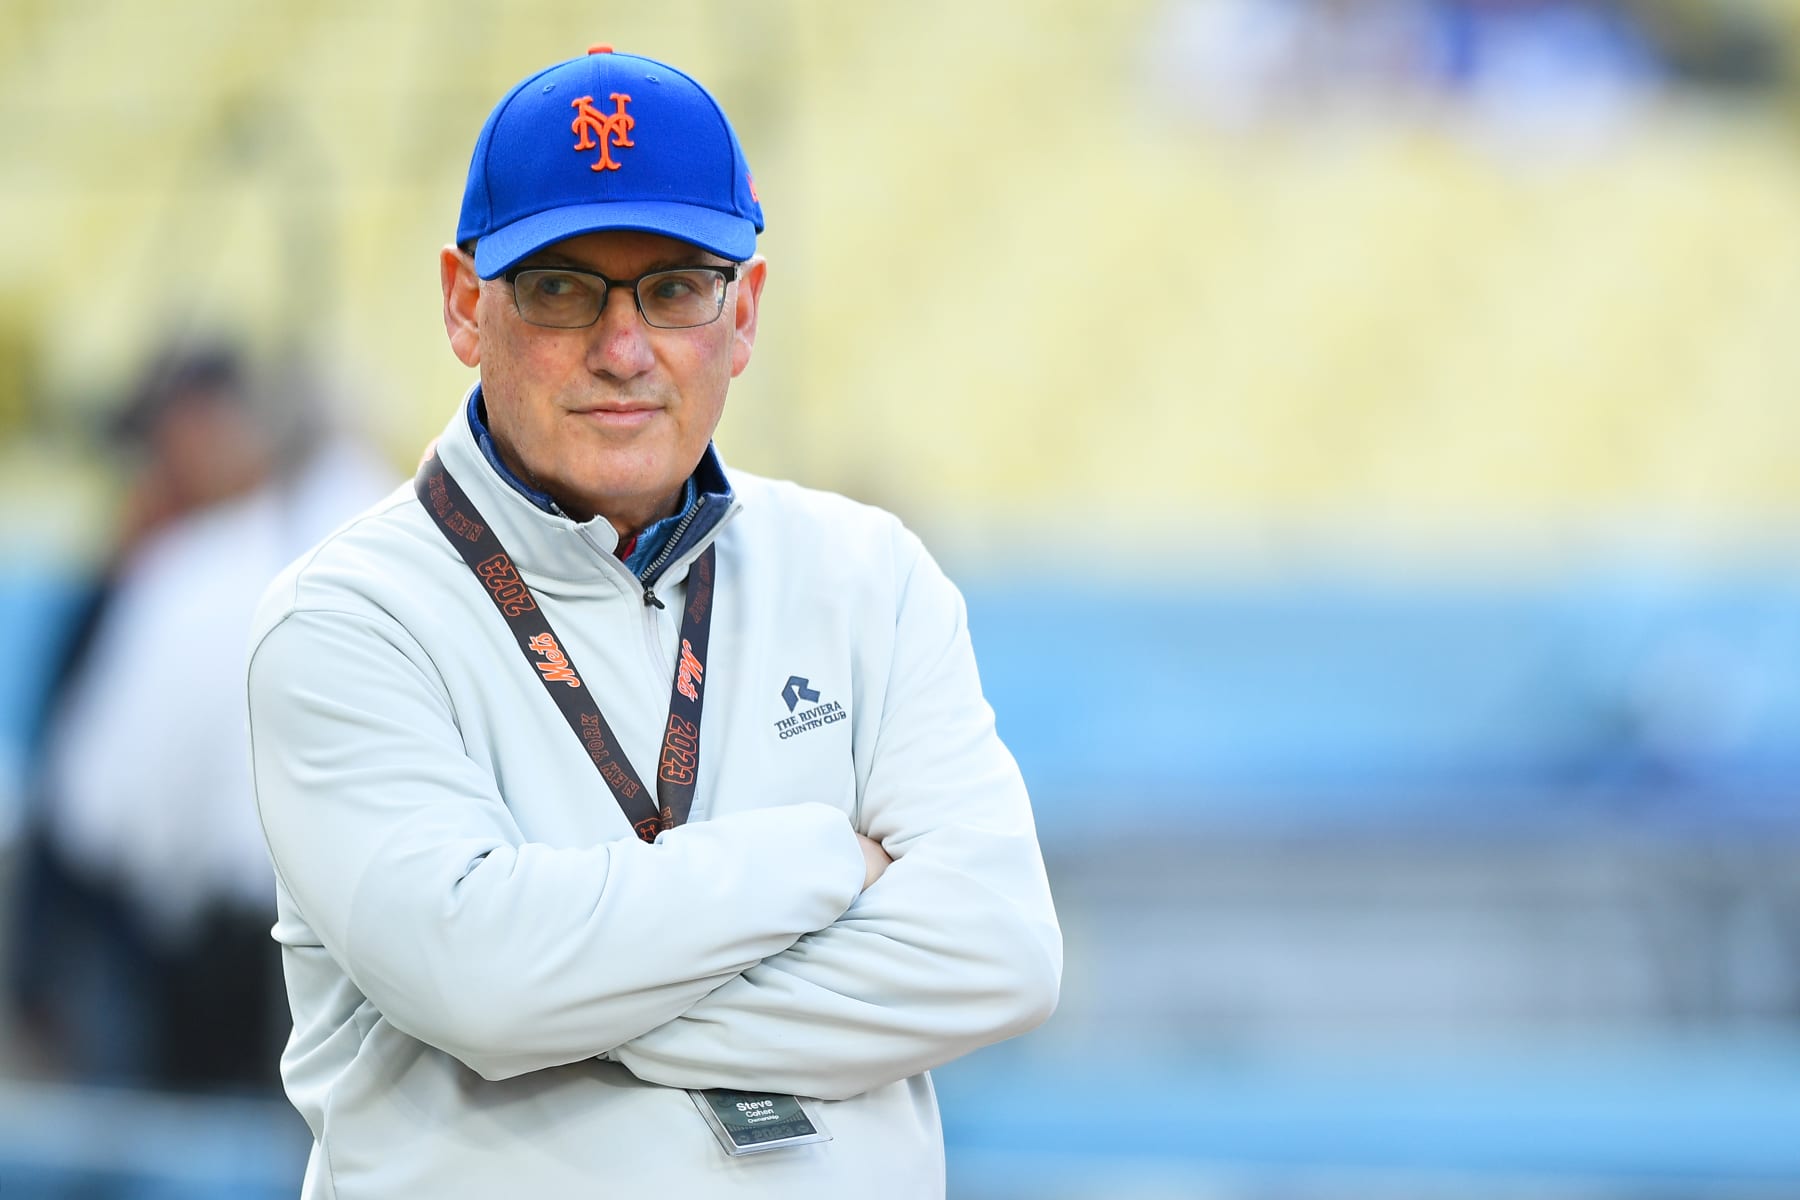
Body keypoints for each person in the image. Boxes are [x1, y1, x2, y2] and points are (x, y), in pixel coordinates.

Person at [245, 45, 1061, 1198]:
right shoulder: (348, 618)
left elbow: (1001, 955)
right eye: (563, 287)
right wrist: (826, 856)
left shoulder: (870, 574)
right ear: (464, 304)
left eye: (675, 287)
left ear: (744, 314)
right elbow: (481, 984)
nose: (623, 350)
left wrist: (570, 996)